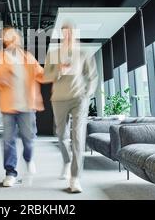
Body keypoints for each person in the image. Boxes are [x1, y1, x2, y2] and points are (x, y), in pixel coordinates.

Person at [0, 27, 45, 187]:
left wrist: (57, 72)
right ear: (4, 40)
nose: (10, 39)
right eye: (7, 36)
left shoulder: (28, 57)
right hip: (8, 106)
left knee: (29, 138)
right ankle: (10, 172)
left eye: (13, 36)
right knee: (7, 140)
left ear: (19, 39)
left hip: (27, 105)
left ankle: (28, 158)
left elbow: (41, 74)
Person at [44, 23, 98, 193]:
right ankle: (66, 161)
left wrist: (87, 94)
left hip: (78, 99)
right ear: (61, 34)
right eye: (64, 33)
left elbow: (92, 76)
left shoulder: (83, 53)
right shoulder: (53, 54)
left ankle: (75, 178)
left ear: (75, 34)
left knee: (78, 137)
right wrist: (58, 71)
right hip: (59, 99)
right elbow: (45, 76)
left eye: (70, 33)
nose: (67, 36)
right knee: (61, 135)